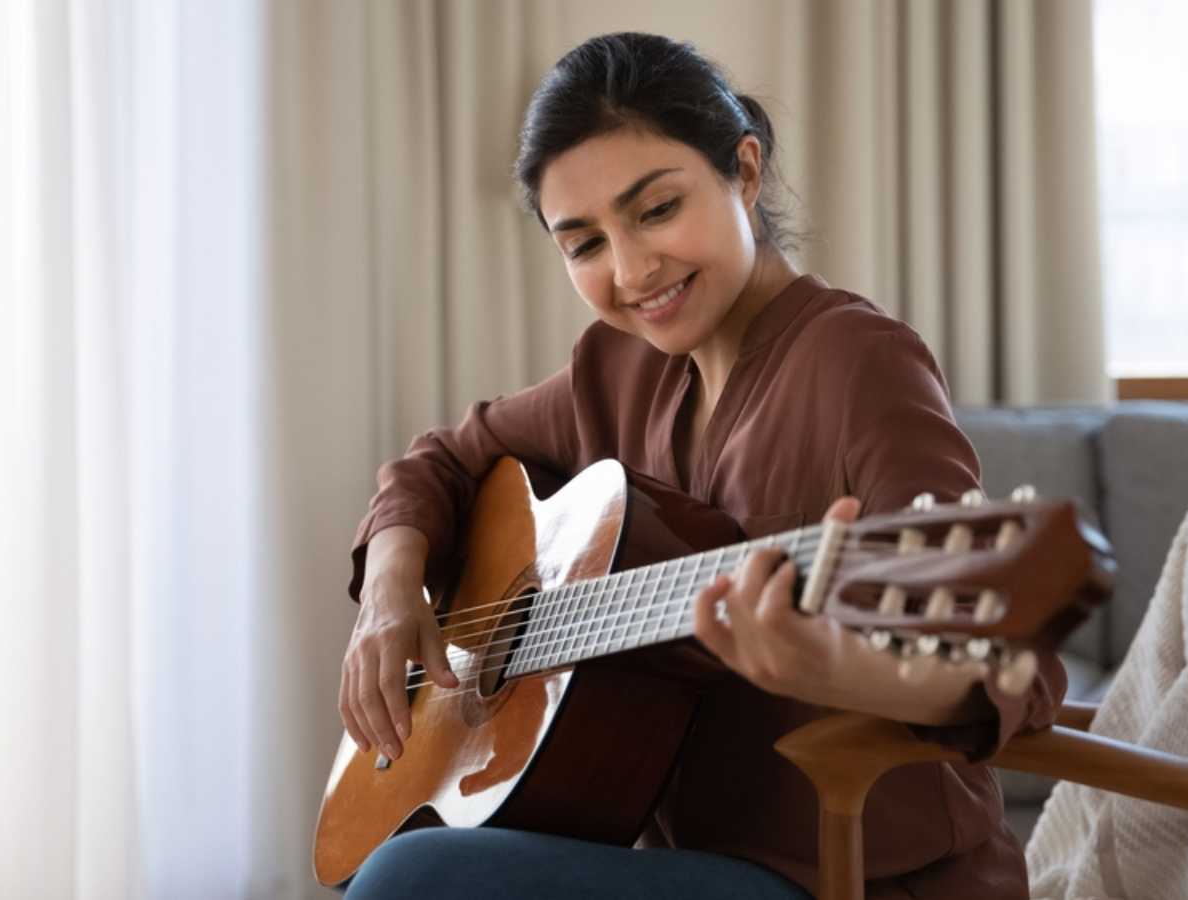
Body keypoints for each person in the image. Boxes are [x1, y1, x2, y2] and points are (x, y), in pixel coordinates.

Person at [338, 32, 1066, 900]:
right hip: (689, 865)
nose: (632, 270)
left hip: (862, 881)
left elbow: (1006, 666)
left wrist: (838, 671)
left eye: (655, 210)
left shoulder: (859, 362)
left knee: (409, 881)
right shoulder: (615, 370)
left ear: (745, 172)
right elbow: (443, 460)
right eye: (585, 245)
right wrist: (390, 593)